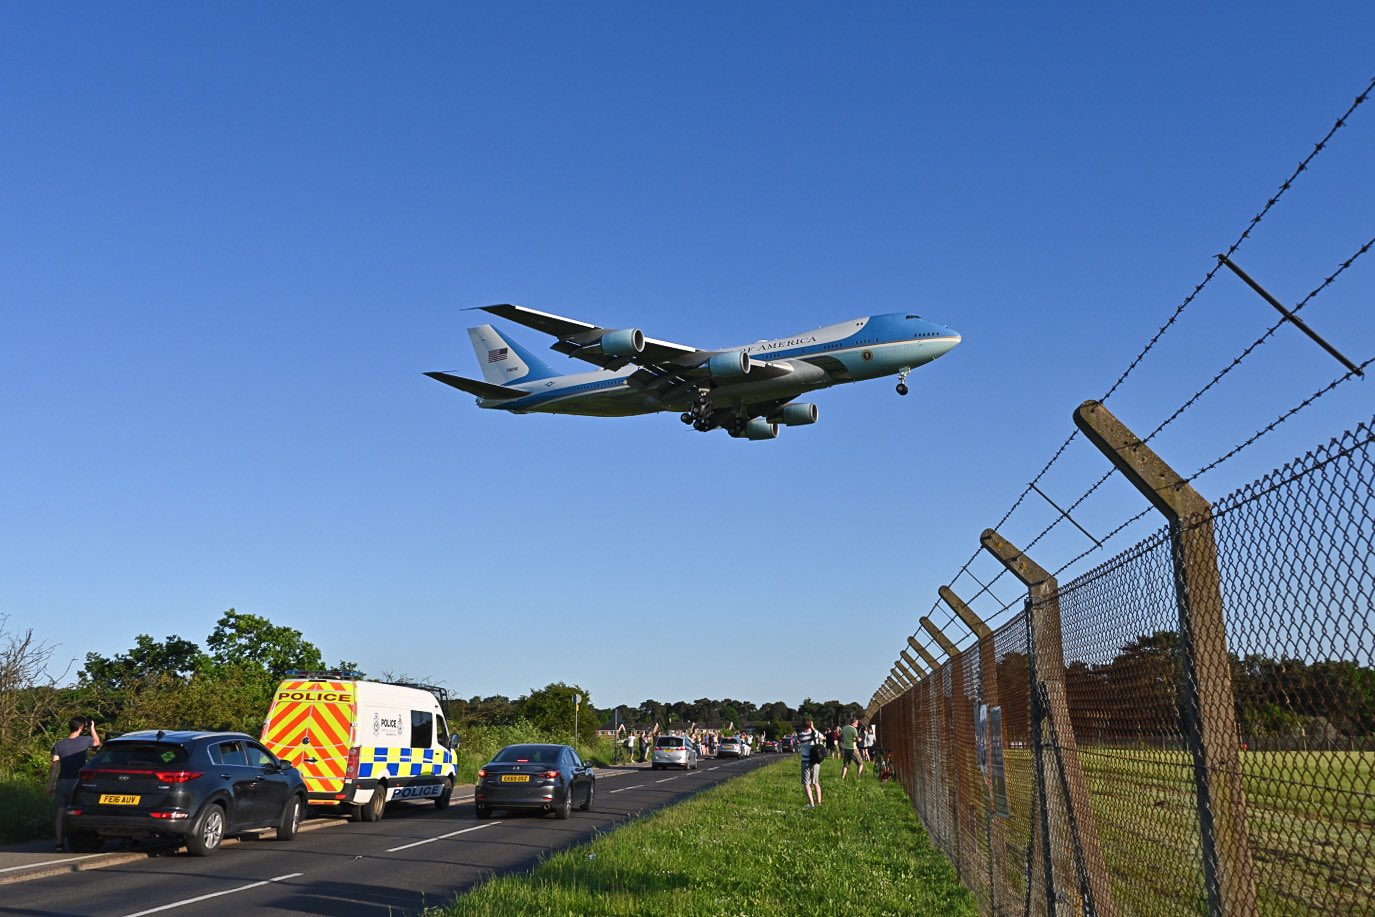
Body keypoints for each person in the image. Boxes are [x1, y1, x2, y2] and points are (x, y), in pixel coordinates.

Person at [49, 715, 101, 851]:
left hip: (62, 781)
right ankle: (77, 839)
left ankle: (59, 843)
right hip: (77, 782)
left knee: (60, 813)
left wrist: (51, 785)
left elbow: (55, 766)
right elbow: (97, 743)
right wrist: (92, 728)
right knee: (77, 812)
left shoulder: (59, 745)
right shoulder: (85, 740)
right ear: (81, 727)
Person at [797, 718, 824, 807]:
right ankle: (819, 802)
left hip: (805, 760)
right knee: (816, 782)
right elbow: (822, 737)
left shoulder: (800, 735)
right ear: (811, 725)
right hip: (815, 760)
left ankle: (811, 803)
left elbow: (800, 743)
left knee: (806, 783)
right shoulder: (815, 733)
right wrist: (813, 728)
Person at [840, 715, 865, 781]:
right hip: (853, 748)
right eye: (857, 723)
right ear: (853, 723)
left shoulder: (844, 728)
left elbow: (842, 736)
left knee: (846, 764)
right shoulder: (853, 729)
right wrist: (859, 739)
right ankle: (858, 777)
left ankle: (842, 778)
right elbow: (857, 739)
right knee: (860, 763)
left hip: (846, 748)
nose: (857, 724)